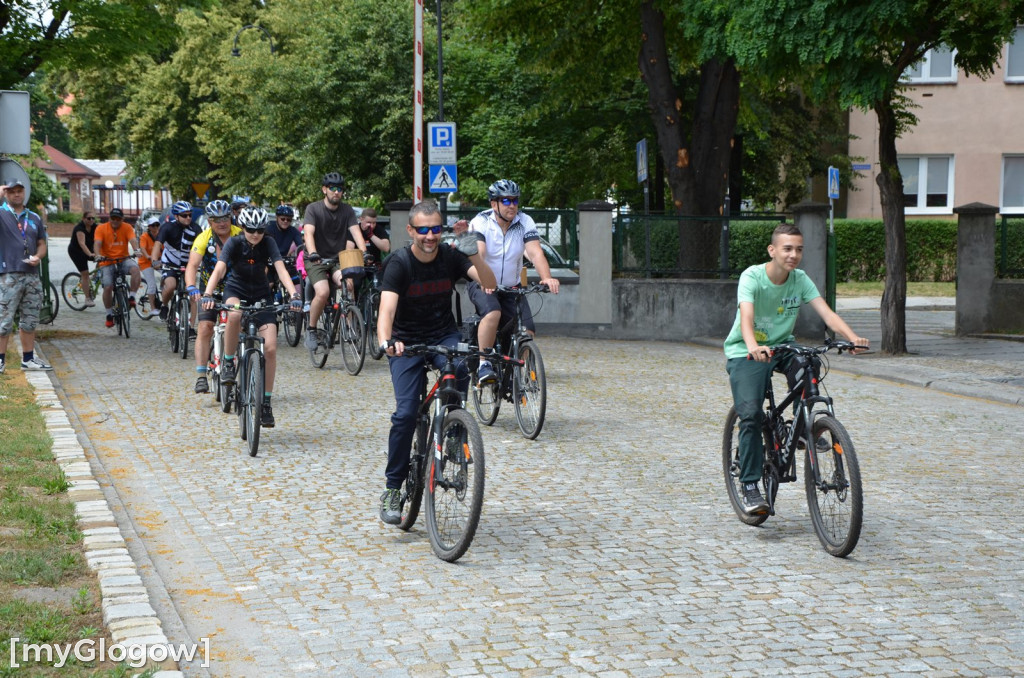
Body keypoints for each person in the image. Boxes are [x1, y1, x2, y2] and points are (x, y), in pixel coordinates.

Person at [724, 222, 869, 516]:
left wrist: (851, 338)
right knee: (750, 414)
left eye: (799, 249)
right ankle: (750, 484)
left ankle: (804, 428)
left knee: (810, 364)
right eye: (787, 248)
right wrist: (752, 345)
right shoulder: (752, 276)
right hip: (747, 350)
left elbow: (826, 312)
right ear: (773, 250)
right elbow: (747, 316)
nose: (794, 255)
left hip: (784, 347)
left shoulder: (799, 279)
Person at [375, 199, 496, 525]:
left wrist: (473, 253)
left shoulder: (451, 257)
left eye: (436, 229)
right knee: (405, 414)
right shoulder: (400, 263)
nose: (430, 236)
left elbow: (489, 284)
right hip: (407, 341)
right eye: (423, 230)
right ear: (411, 230)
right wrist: (387, 341)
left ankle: (455, 432)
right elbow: (385, 313)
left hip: (442, 334)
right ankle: (393, 488)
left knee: (460, 363)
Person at [452, 179, 560, 386]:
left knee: (527, 329)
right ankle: (484, 363)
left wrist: (546, 277)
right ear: (494, 204)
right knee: (493, 313)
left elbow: (535, 252)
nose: (512, 205)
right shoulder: (481, 221)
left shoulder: (524, 222)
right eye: (506, 200)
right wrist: (485, 278)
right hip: (482, 283)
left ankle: (521, 376)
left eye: (515, 200)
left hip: (512, 287)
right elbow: (480, 253)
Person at [201, 207, 301, 427]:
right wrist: (208, 293)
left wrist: (294, 294)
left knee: (271, 348)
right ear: (243, 227)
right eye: (250, 229)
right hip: (236, 290)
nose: (255, 234)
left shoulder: (269, 243)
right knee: (234, 314)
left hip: (262, 294)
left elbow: (281, 269)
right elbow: (219, 269)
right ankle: (228, 363)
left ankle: (265, 403)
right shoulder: (234, 243)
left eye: (259, 230)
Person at [301, 172, 365, 350]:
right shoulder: (313, 209)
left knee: (349, 285)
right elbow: (309, 233)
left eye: (340, 189)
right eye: (332, 188)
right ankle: (312, 328)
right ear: (324, 190)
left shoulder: (347, 210)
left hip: (337, 259)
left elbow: (356, 232)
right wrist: (313, 252)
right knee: (322, 292)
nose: (336, 192)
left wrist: (364, 252)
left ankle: (349, 326)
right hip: (316, 259)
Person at [185, 200, 240, 393]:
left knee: (239, 322)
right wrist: (191, 287)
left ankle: (233, 361)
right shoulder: (203, 238)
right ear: (209, 221)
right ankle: (201, 376)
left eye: (225, 218)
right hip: (209, 288)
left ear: (230, 218)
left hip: (235, 287)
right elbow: (192, 265)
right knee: (205, 327)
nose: (222, 223)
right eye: (216, 219)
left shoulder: (240, 235)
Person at [0, 181, 52, 373]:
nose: (16, 195)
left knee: (30, 319)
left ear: (24, 193)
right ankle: (0, 360)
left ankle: (28, 359)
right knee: (4, 320)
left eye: (19, 191)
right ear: (6, 194)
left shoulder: (34, 217)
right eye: (11, 192)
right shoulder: (2, 213)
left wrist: (38, 256)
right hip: (8, 274)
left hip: (31, 275)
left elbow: (41, 243)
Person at [93, 208, 142, 329]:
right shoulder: (101, 228)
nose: (115, 221)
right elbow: (97, 243)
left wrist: (136, 250)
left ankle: (131, 296)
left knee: (136, 269)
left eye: (118, 219)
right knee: (108, 286)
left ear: (122, 219)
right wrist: (98, 255)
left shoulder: (127, 227)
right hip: (106, 260)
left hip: (123, 259)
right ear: (109, 218)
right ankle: (109, 315)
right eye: (112, 218)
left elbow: (133, 240)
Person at [153, 201, 200, 322]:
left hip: (188, 265)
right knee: (171, 285)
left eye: (190, 215)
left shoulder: (196, 229)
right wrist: (154, 261)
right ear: (176, 216)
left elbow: (202, 248)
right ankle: (164, 305)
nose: (188, 218)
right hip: (170, 263)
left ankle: (191, 328)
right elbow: (158, 244)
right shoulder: (167, 227)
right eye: (184, 215)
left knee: (193, 295)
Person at [66, 210, 98, 307]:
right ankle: (87, 298)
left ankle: (95, 276)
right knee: (85, 273)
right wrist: (91, 254)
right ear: (83, 219)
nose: (91, 220)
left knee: (103, 260)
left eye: (93, 218)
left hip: (89, 250)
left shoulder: (95, 227)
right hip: (76, 252)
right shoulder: (79, 228)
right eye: (89, 218)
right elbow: (82, 244)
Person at [137, 215, 162, 317]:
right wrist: (147, 256)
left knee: (168, 276)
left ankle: (162, 289)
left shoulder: (161, 235)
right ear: (149, 227)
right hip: (146, 262)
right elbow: (142, 248)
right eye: (153, 225)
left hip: (157, 262)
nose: (155, 227)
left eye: (157, 225)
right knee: (151, 285)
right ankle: (152, 308)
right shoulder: (144, 236)